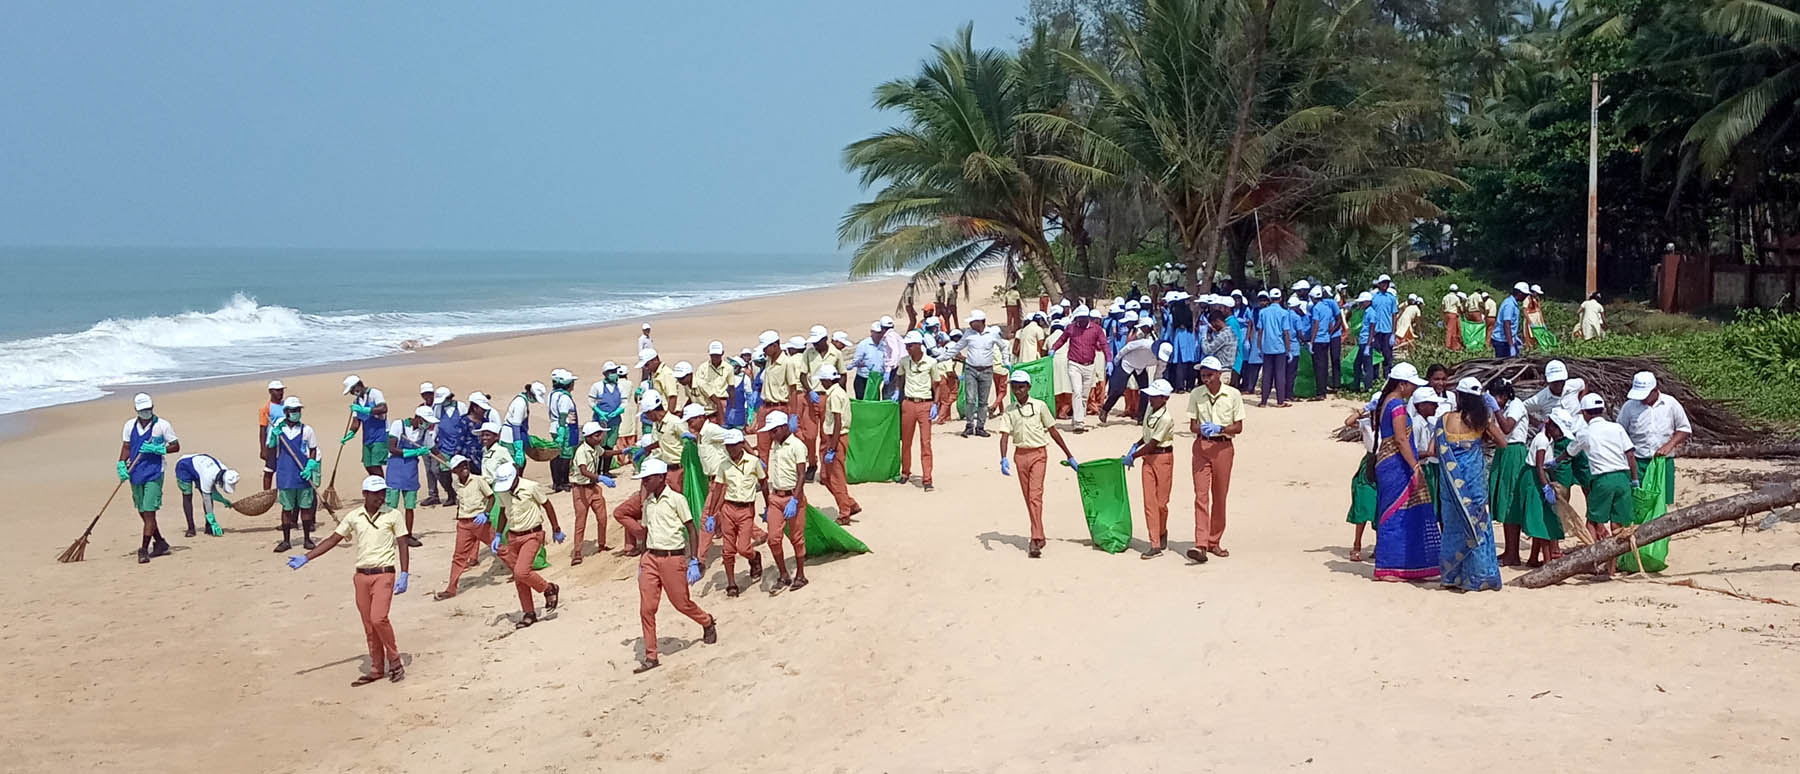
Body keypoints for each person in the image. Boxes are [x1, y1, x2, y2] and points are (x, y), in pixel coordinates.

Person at [284, 475, 410, 685]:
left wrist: (405, 573)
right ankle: (377, 667)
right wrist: (307, 557)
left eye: (382, 493)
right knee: (369, 624)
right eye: (376, 493)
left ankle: (395, 660)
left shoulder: (393, 515)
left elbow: (403, 543)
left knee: (379, 618)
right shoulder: (354, 516)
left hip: (384, 573)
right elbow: (334, 539)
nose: (381, 497)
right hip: (361, 576)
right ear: (365, 495)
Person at [995, 370, 1078, 559]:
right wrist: (1003, 457)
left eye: (1021, 387)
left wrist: (1069, 454)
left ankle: (1035, 538)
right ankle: (1039, 533)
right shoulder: (1010, 410)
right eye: (1015, 387)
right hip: (1020, 455)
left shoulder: (1040, 406)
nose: (1018, 391)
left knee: (1035, 495)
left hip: (1039, 454)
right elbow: (1004, 435)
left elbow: (1053, 431)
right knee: (1028, 497)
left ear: (1029, 387)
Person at [1434, 378, 1506, 590]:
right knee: (1478, 526)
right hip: (1474, 481)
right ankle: (1478, 577)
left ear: (1459, 396)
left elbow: (1435, 450)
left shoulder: (1444, 419)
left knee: (1453, 525)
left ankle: (1451, 576)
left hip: (1450, 482)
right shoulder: (1482, 421)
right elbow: (1503, 442)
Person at [1369, 364, 1439, 582]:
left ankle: (1406, 564)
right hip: (1396, 465)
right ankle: (1390, 566)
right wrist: (1415, 466)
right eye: (1410, 385)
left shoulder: (1388, 402)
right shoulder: (1397, 405)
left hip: (1389, 463)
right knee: (1396, 514)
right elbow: (1401, 439)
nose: (1412, 390)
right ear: (1402, 384)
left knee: (1399, 512)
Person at [1560, 393, 1637, 576]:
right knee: (1618, 525)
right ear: (1602, 410)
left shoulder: (1585, 432)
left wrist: (1556, 461)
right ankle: (1612, 567)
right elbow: (1630, 455)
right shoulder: (1616, 428)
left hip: (1603, 479)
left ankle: (1593, 562)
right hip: (1622, 477)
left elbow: (1569, 453)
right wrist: (1634, 479)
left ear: (1585, 413)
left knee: (1593, 521)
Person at [1187, 357, 1244, 562]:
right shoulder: (1196, 394)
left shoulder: (1233, 395)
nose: (1206, 379)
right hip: (1202, 446)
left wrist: (1219, 428)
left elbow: (1238, 427)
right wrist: (1201, 428)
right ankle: (1200, 543)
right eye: (1203, 375)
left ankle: (1214, 540)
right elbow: (1192, 425)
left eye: (1210, 375)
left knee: (1219, 496)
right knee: (1200, 495)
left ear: (1219, 374)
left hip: (1223, 447)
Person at [491, 467, 563, 629]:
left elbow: (547, 505)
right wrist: (498, 534)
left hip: (532, 534)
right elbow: (503, 512)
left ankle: (549, 588)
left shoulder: (531, 487)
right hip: (513, 535)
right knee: (519, 579)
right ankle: (529, 612)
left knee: (521, 571)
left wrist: (556, 528)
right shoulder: (503, 492)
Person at [118, 392, 180, 564]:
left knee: (149, 510)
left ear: (152, 408)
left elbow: (175, 445)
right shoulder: (129, 426)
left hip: (154, 472)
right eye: (142, 410)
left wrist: (159, 449)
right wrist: (121, 465)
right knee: (143, 511)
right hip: (135, 472)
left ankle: (144, 549)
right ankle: (159, 541)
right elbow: (126, 447)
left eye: (148, 409)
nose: (146, 412)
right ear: (136, 410)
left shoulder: (161, 426)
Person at [1617, 370, 1691, 510]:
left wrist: (1669, 445)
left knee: (1663, 501)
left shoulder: (1670, 404)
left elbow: (1684, 429)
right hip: (1638, 461)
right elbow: (1620, 432)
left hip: (1663, 462)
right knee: (1639, 501)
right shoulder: (1629, 407)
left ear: (1655, 390)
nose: (1642, 399)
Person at [1120, 378, 1177, 558]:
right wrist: (1135, 446)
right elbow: (1146, 436)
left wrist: (1133, 457)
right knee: (1149, 502)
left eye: (1154, 396)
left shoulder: (1166, 418)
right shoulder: (1150, 410)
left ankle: (1162, 530)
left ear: (1165, 398)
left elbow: (1153, 443)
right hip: (1148, 458)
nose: (1150, 399)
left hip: (1162, 458)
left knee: (1161, 502)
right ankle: (1154, 543)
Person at [706, 428, 766, 595]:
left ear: (741, 445)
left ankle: (754, 558)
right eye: (728, 446)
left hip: (746, 509)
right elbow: (718, 489)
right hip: (728, 508)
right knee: (727, 550)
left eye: (733, 445)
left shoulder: (753, 462)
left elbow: (764, 483)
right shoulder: (724, 465)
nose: (730, 449)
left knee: (744, 547)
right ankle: (731, 583)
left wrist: (768, 506)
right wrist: (711, 514)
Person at [434, 455, 494, 600]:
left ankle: (519, 572)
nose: (464, 468)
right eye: (460, 466)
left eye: (465, 464)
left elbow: (491, 497)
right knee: (459, 556)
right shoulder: (456, 485)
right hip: (464, 522)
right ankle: (451, 588)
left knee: (499, 548)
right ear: (455, 471)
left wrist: (486, 513)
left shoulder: (478, 480)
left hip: (479, 521)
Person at [761, 412, 810, 590]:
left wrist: (795, 500)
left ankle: (800, 574)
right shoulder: (775, 446)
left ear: (782, 428)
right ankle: (783, 573)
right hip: (775, 497)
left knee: (797, 538)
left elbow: (802, 475)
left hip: (792, 496)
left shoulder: (797, 446)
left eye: (773, 431)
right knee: (773, 539)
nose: (771, 435)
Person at [268, 396, 321, 551]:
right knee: (287, 508)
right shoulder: (278, 429)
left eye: (298, 410)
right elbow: (271, 449)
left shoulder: (307, 430)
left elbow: (312, 450)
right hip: (285, 474)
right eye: (293, 411)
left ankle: (307, 539)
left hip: (302, 475)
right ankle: (286, 541)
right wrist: (273, 437)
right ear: (286, 412)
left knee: (305, 507)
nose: (296, 413)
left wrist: (311, 465)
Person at [1486, 380, 1530, 566]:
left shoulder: (1516, 405)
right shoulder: (1502, 408)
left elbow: (1506, 428)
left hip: (1514, 453)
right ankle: (1509, 550)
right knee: (1503, 501)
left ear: (1503, 396)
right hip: (1503, 452)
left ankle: (1513, 554)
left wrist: (1495, 409)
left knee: (1511, 499)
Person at [383, 406, 437, 548]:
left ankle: (407, 535)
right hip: (395, 469)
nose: (428, 425)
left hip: (410, 472)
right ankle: (386, 535)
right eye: (426, 421)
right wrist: (413, 452)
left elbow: (434, 450)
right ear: (418, 418)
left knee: (409, 506)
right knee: (391, 506)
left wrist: (449, 462)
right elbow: (392, 448)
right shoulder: (398, 425)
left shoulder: (424, 433)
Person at [1050, 305, 1110, 431]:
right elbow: (1062, 339)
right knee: (1076, 391)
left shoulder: (1096, 329)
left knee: (1084, 395)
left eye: (1084, 318)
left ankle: (1078, 418)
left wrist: (1109, 360)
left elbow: (1104, 344)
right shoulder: (1071, 328)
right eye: (1079, 318)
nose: (1081, 321)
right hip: (1074, 364)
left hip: (1089, 365)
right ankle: (1079, 422)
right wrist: (1054, 349)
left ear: (1088, 318)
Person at [569, 421, 620, 565]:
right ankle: (577, 552)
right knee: (581, 520)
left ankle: (602, 544)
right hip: (581, 489)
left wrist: (623, 451)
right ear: (589, 437)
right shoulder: (582, 452)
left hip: (593, 487)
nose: (601, 437)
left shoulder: (595, 447)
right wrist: (600, 477)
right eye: (598, 435)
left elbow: (605, 453)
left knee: (602, 516)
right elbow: (584, 471)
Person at [815, 365, 861, 523]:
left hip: (835, 437)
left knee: (836, 477)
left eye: (822, 379)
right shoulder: (838, 392)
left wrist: (832, 447)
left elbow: (837, 421)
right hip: (835, 437)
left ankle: (844, 512)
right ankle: (849, 503)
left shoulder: (834, 396)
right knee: (826, 476)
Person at [950, 309, 1004, 438]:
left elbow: (1003, 346)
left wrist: (1006, 360)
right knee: (970, 398)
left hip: (986, 370)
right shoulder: (968, 334)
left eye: (973, 322)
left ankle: (980, 427)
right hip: (971, 369)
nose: (970, 324)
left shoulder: (992, 334)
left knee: (983, 401)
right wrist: (941, 357)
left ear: (981, 322)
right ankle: (969, 425)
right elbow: (957, 347)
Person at [896, 330, 938, 490]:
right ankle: (905, 471)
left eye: (911, 345)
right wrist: (899, 394)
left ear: (919, 345)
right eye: (907, 345)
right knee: (906, 440)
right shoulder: (904, 361)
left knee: (925, 442)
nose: (908, 348)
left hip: (925, 404)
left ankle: (927, 478)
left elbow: (937, 384)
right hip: (908, 403)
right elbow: (900, 377)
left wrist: (935, 403)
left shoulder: (930, 362)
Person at [1100, 318, 1157, 425]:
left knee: (1145, 392)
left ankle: (1141, 418)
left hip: (1140, 366)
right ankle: (1105, 409)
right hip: (1128, 363)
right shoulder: (1142, 339)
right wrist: (1117, 359)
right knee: (1118, 389)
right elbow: (1128, 347)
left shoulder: (1155, 341)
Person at [173, 452, 237, 539]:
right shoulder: (208, 476)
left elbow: (212, 492)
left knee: (208, 494)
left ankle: (208, 526)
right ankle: (191, 528)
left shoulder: (224, 470)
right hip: (184, 466)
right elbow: (207, 498)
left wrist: (222, 500)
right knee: (187, 496)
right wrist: (213, 521)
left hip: (200, 467)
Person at [341, 375, 388, 476]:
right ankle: (375, 485)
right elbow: (356, 421)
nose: (353, 393)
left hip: (380, 434)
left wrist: (365, 410)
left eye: (354, 389)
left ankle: (381, 487)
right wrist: (351, 432)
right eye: (351, 391)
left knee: (376, 464)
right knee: (368, 465)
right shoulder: (356, 402)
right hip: (367, 436)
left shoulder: (374, 393)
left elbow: (383, 408)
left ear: (359, 384)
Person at [1253, 292, 1293, 407]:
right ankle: (1280, 401)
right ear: (1280, 299)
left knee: (1267, 374)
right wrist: (1288, 349)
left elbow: (1260, 331)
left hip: (1267, 347)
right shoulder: (1284, 313)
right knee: (1280, 375)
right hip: (1279, 347)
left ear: (1270, 299)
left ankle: (1263, 401)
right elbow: (1286, 332)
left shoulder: (1263, 312)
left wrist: (1259, 347)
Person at [423, 386, 458, 506]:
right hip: (444, 444)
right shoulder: (438, 408)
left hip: (458, 444)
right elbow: (436, 425)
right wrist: (432, 442)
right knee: (442, 472)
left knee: (460, 470)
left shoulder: (460, 406)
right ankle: (451, 494)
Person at [546, 369, 580, 492]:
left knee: (556, 454)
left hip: (555, 426)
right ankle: (562, 481)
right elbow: (563, 415)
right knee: (564, 455)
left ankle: (557, 481)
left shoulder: (552, 395)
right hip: (564, 428)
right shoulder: (564, 397)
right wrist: (562, 430)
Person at [502, 381, 547, 472]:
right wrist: (518, 447)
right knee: (513, 465)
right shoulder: (520, 403)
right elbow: (516, 426)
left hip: (513, 436)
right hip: (510, 437)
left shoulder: (523, 401)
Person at [1307, 287, 1342, 397]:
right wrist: (1328, 333)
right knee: (1325, 365)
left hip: (1318, 339)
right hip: (1326, 339)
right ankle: (1324, 389)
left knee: (1318, 367)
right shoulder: (1327, 308)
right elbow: (1330, 324)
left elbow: (1316, 325)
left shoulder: (1316, 308)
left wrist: (1311, 341)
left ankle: (1320, 392)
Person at [1368, 274, 1398, 372]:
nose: (1385, 284)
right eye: (1384, 282)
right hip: (1376, 330)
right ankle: (1375, 377)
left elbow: (1394, 315)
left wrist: (1393, 333)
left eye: (1387, 283)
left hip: (1387, 330)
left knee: (1387, 356)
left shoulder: (1391, 298)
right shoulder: (1373, 297)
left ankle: (1387, 376)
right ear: (1379, 284)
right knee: (1375, 356)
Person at [259, 380, 285, 490]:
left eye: (281, 390)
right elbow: (262, 429)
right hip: (272, 442)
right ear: (270, 392)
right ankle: (267, 493)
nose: (280, 393)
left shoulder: (286, 405)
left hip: (285, 441)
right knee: (269, 469)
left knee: (284, 468)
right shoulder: (266, 409)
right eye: (277, 390)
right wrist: (263, 449)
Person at [697, 341, 734, 419]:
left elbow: (731, 388)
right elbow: (699, 386)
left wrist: (732, 405)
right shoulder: (702, 368)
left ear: (722, 353)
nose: (715, 357)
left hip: (722, 400)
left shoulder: (728, 368)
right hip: (707, 402)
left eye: (717, 355)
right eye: (713, 355)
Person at [1201, 310, 1238, 385]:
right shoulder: (1231, 333)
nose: (1213, 327)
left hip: (1222, 372)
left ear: (1217, 321)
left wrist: (1203, 336)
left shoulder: (1223, 335)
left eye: (1213, 324)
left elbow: (1207, 350)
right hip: (1228, 371)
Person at [1492, 282, 1526, 357]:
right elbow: (1506, 324)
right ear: (1519, 293)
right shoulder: (1509, 305)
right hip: (1502, 341)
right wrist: (1511, 345)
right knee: (1503, 365)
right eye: (1525, 294)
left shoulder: (1513, 303)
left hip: (1507, 339)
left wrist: (1514, 337)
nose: (1526, 297)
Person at [1441, 284, 1462, 350]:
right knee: (1451, 331)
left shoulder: (1445, 297)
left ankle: (1453, 346)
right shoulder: (1456, 298)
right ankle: (1448, 346)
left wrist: (1442, 315)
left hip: (1446, 314)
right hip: (1453, 314)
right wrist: (1460, 314)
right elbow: (1459, 307)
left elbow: (1443, 307)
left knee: (1451, 330)